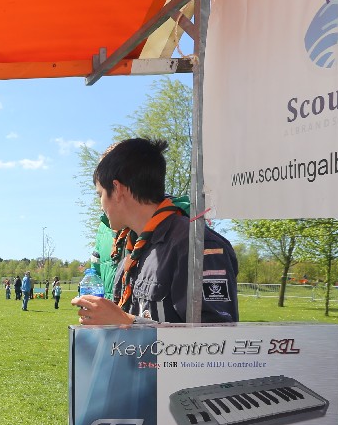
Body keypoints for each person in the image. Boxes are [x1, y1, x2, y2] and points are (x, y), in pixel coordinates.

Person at [72, 138, 239, 325]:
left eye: (100, 194)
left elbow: (217, 335)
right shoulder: (132, 252)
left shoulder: (196, 246)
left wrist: (128, 322)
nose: (101, 205)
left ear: (117, 189)